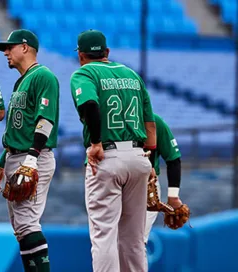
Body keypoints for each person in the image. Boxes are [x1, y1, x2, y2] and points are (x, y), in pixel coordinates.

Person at [70, 29, 156, 272]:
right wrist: (149, 157)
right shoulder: (132, 75)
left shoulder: (84, 72)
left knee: (104, 234)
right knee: (134, 237)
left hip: (108, 156)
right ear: (106, 52)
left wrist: (95, 142)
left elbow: (89, 104)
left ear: (81, 55)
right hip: (138, 157)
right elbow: (150, 123)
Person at [0, 29, 60, 272]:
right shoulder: (22, 80)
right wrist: (0, 164)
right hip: (16, 156)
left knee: (28, 224)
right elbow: (16, 130)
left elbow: (45, 122)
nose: (6, 52)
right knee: (21, 228)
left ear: (25, 47)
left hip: (32, 158)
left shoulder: (43, 77)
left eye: (10, 47)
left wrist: (31, 160)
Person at [144, 113, 184, 243]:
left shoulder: (154, 121)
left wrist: (173, 196)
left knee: (136, 242)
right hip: (117, 183)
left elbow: (173, 159)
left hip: (146, 186)